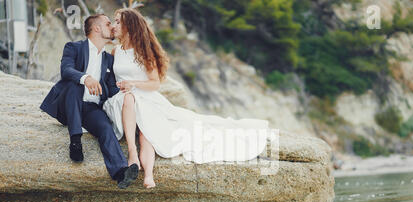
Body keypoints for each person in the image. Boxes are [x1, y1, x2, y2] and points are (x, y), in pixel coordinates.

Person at [104, 8, 271, 189]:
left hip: (146, 98)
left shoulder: (145, 52)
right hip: (124, 100)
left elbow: (154, 84)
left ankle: (148, 175)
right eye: (114, 21)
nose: (114, 25)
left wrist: (134, 84)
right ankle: (132, 154)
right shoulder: (115, 52)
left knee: (147, 132)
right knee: (129, 99)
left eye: (118, 22)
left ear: (130, 26)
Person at [39, 14, 139, 189]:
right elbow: (66, 70)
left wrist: (125, 91)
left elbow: (111, 89)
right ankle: (75, 141)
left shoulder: (109, 59)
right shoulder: (74, 47)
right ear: (97, 28)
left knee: (105, 127)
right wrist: (86, 78)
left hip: (90, 108)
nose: (113, 27)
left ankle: (120, 172)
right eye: (109, 24)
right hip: (67, 105)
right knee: (75, 85)